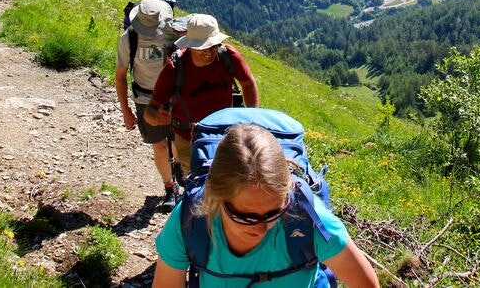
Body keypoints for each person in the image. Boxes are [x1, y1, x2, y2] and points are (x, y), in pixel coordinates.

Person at [153, 123, 379, 287]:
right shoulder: (191, 220)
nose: (261, 228)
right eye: (246, 217)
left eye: (274, 213)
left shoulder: (310, 220)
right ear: (214, 196)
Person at [144, 14, 259, 177]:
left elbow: (248, 83)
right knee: (197, 181)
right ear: (190, 45)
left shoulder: (228, 56)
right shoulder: (174, 68)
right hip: (188, 139)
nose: (210, 51)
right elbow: (150, 112)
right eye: (203, 46)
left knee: (228, 180)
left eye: (213, 45)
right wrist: (156, 117)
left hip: (226, 133)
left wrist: (253, 117)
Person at [115, 0, 177, 209]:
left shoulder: (171, 32)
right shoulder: (128, 38)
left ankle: (183, 184)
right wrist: (126, 111)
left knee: (177, 144)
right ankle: (170, 187)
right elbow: (120, 76)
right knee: (160, 146)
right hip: (146, 99)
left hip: (172, 96)